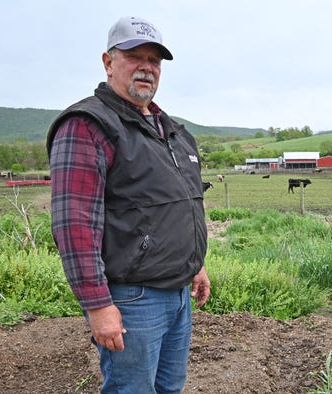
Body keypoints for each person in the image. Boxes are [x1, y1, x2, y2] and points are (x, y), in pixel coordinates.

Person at [47, 16, 211, 393]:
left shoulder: (172, 131)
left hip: (177, 295)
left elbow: (178, 205)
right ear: (108, 62)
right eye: (134, 56)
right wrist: (98, 306)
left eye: (154, 61)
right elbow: (74, 225)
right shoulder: (88, 125)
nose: (146, 68)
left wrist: (195, 264)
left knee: (170, 388)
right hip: (134, 300)